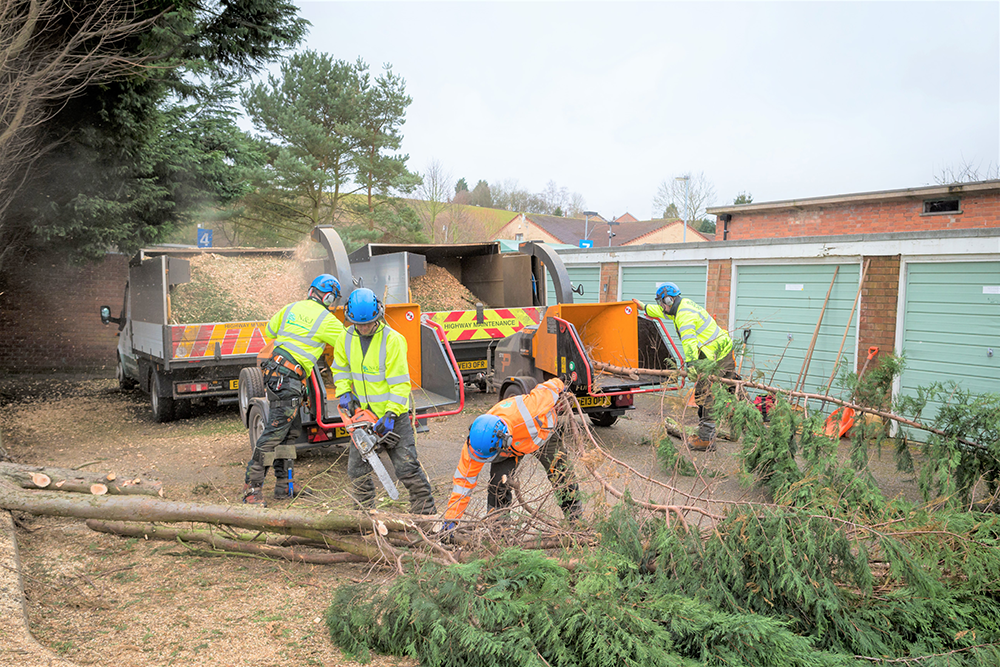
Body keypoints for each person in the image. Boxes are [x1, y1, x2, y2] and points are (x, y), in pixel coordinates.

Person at [331, 288, 436, 515]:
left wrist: (390, 414)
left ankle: (425, 514)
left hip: (392, 419)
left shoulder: (393, 340)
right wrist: (344, 392)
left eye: (367, 323)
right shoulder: (345, 338)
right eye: (358, 324)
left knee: (406, 467)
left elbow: (400, 384)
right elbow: (340, 368)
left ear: (378, 315)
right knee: (357, 471)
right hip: (363, 419)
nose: (363, 328)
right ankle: (364, 516)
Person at [243, 274, 345, 504]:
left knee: (290, 433)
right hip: (288, 378)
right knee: (273, 435)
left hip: (279, 374)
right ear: (328, 298)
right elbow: (349, 344)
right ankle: (252, 489)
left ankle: (284, 484)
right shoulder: (326, 320)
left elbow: (270, 331)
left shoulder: (290, 308)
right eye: (333, 300)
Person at [441, 377, 581, 530]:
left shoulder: (532, 408)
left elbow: (552, 385)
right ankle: (499, 530)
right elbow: (463, 483)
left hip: (543, 437)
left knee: (562, 475)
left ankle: (575, 522)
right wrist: (451, 519)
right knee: (498, 484)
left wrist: (564, 388)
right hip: (511, 448)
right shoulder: (477, 443)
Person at [634, 282, 737, 451]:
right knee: (731, 386)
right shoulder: (680, 305)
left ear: (669, 300)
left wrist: (692, 368)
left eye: (662, 302)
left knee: (705, 393)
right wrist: (644, 307)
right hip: (719, 350)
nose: (661, 306)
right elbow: (660, 311)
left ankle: (706, 439)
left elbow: (689, 344)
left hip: (716, 356)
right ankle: (749, 420)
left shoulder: (684, 316)